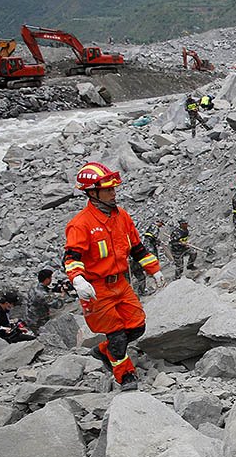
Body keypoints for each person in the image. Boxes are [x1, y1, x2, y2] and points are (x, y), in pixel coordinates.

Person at [64, 162, 164, 390]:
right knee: (117, 335)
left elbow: (138, 248)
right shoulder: (80, 225)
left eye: (113, 188)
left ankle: (104, 351)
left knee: (137, 327)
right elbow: (71, 258)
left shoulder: (122, 217)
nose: (113, 193)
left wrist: (154, 270)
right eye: (108, 189)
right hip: (97, 288)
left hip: (120, 283)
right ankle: (125, 375)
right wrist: (78, 279)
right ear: (92, 192)